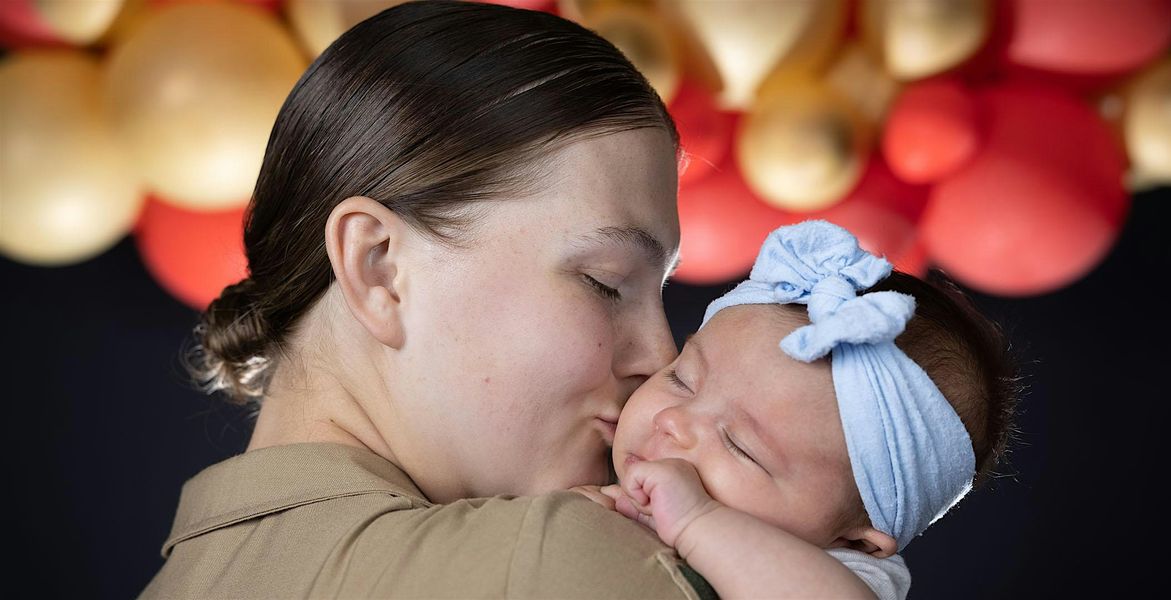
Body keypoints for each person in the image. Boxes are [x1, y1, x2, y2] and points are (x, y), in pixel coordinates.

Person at [141, 2, 910, 598]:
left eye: (658, 294)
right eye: (606, 283)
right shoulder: (561, 563)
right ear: (378, 266)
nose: (661, 358)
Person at [577, 221, 1021, 599]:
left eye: (741, 446)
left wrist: (696, 522)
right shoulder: (591, 466)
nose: (673, 421)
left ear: (854, 542)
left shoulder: (836, 574)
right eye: (681, 380)